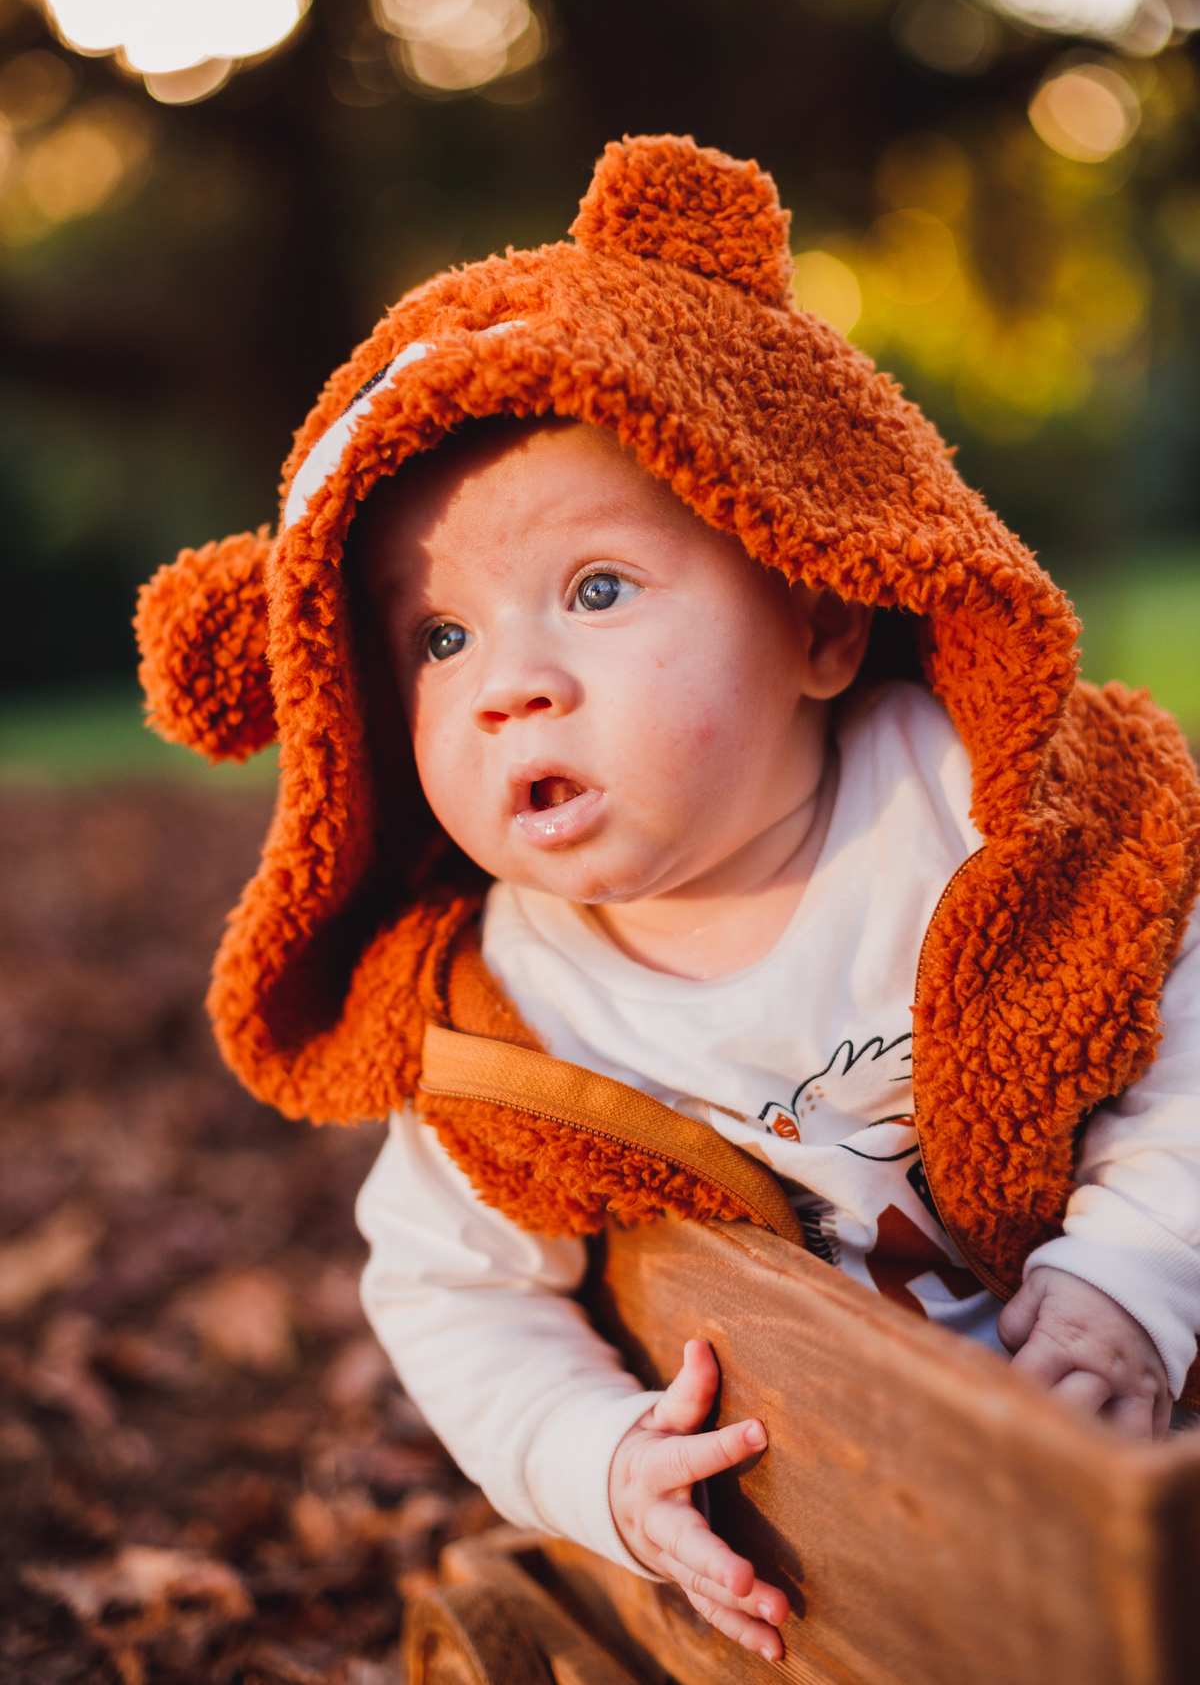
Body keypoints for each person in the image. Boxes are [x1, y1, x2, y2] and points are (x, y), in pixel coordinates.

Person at [135, 136, 1200, 1667]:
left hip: (1143, 1372)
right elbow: (449, 1294)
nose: (514, 685)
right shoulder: (503, 1022)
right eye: (438, 641)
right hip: (862, 1533)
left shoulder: (992, 817)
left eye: (598, 590)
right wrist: (598, 1464)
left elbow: (1184, 1035)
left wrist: (1136, 1281)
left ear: (820, 610)